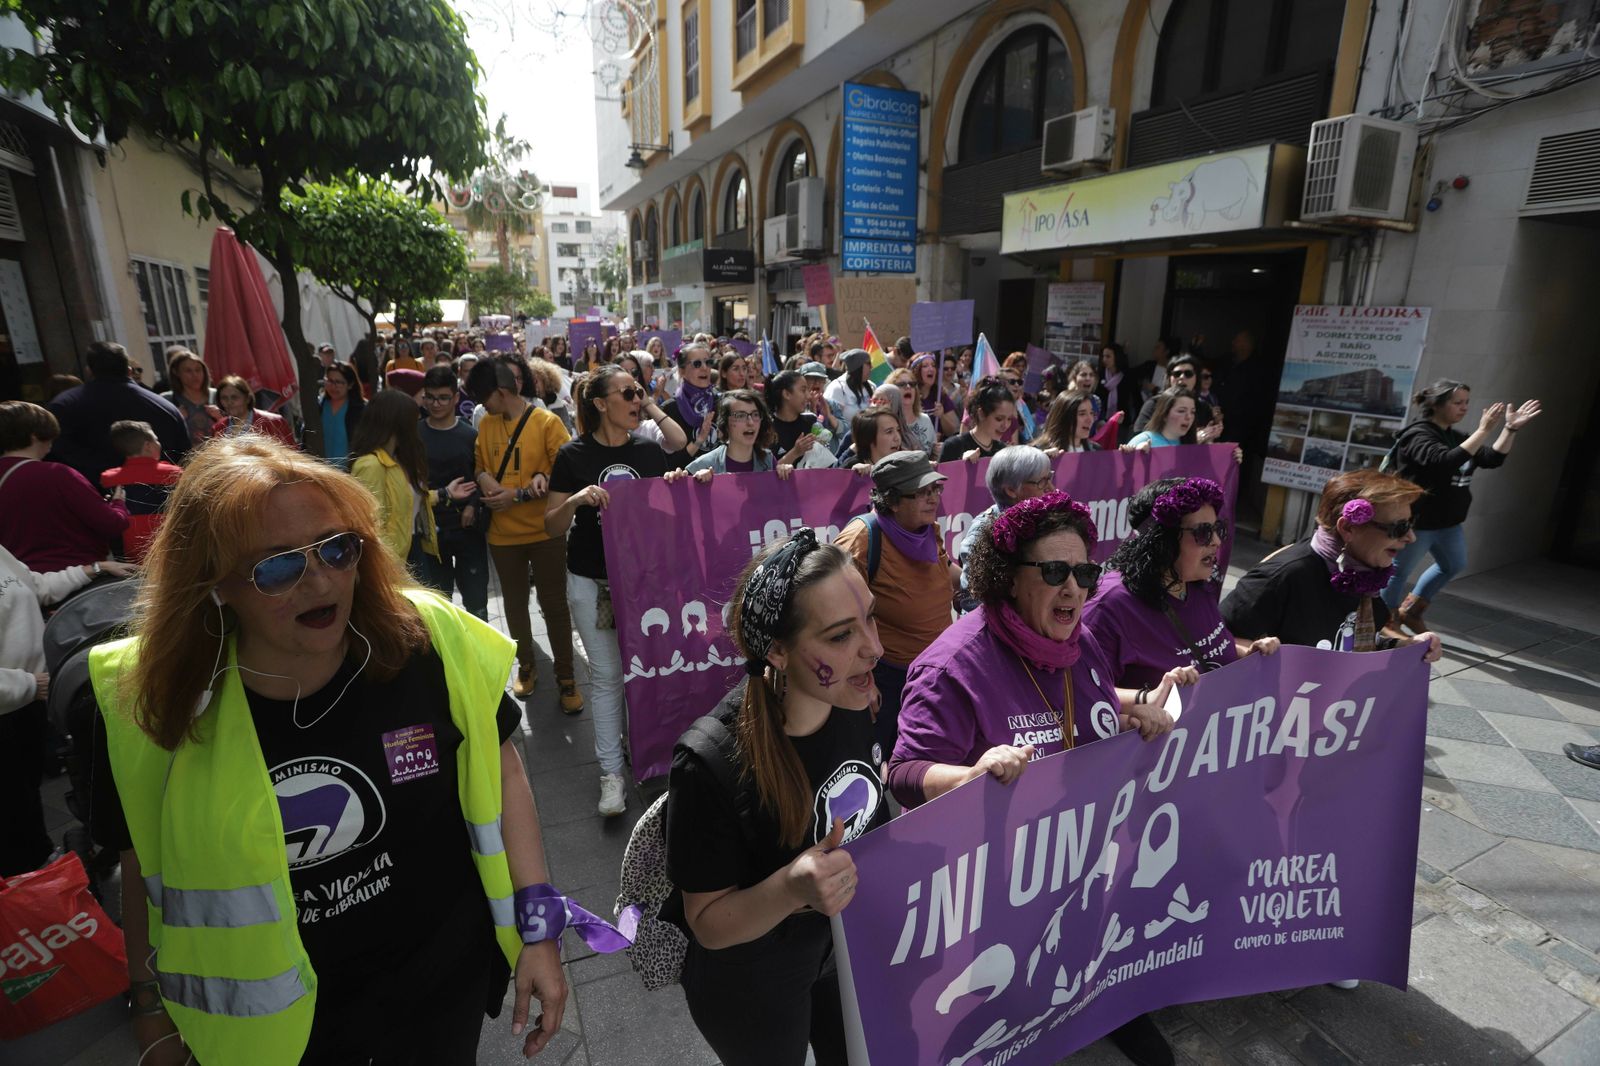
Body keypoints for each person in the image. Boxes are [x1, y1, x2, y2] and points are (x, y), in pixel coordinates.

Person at [85, 434, 572, 1065]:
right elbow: (141, 868)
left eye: (337, 549)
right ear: (214, 582)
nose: (319, 581)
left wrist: (540, 933)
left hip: (438, 987)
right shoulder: (144, 703)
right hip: (277, 1030)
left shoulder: (428, 643)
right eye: (277, 565)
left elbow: (502, 771)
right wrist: (150, 1010)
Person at [886, 490, 1176, 1066]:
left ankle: (1110, 1005)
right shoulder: (952, 667)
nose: (1074, 587)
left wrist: (1131, 708)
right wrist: (972, 773)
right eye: (1054, 571)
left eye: (1085, 572)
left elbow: (1082, 704)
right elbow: (902, 772)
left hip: (1083, 859)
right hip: (1001, 881)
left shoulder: (1080, 639)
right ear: (1008, 580)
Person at [665, 531, 884, 1066]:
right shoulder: (709, 761)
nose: (874, 649)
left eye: (871, 618)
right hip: (751, 977)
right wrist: (790, 887)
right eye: (839, 637)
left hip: (844, 949)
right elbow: (709, 923)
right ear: (778, 652)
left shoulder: (859, 696)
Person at [545, 366, 690, 815]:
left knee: (646, 672)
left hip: (643, 582)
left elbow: (668, 508)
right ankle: (611, 774)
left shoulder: (649, 451)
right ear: (600, 403)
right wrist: (575, 500)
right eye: (628, 392)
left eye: (639, 392)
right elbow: (550, 525)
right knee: (608, 677)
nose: (637, 399)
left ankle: (642, 753)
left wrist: (679, 489)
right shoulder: (571, 455)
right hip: (592, 581)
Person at [1, 545, 136, 875]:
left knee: (26, 802)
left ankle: (39, 879)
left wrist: (94, 568)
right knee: (11, 815)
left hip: (26, 705)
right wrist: (29, 684)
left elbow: (36, 586)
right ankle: (29, 893)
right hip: (16, 701)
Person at [1084, 477, 1280, 696]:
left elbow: (1206, 647)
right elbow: (1083, 691)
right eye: (1203, 532)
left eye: (1218, 529)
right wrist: (1148, 698)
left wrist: (1247, 653)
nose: (1216, 541)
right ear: (1161, 540)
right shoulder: (1110, 606)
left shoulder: (1198, 585)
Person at [1224, 468, 1444, 657]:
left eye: (1410, 524)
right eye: (1399, 528)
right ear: (1348, 528)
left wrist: (1405, 646)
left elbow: (1355, 649)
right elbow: (1214, 641)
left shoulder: (1366, 577)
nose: (1410, 537)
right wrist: (1250, 653)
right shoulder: (1283, 576)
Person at [465, 360, 582, 711]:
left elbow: (564, 471)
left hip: (545, 530)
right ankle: (526, 665)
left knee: (554, 605)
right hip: (503, 537)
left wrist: (516, 495)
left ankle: (567, 676)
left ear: (501, 392)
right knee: (515, 606)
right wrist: (489, 484)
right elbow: (480, 465)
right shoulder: (486, 424)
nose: (482, 406)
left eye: (484, 397)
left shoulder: (548, 423)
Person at [1382, 381, 1541, 633]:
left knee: (1453, 565)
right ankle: (1384, 621)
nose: (1465, 408)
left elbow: (1492, 459)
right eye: (1458, 402)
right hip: (1417, 522)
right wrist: (1483, 431)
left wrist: (1509, 429)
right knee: (1397, 573)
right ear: (1436, 404)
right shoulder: (1417, 435)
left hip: (1448, 523)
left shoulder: (1454, 436)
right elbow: (1443, 461)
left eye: (1467, 402)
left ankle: (1411, 610)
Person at [834, 451, 959, 756]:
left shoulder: (927, 529)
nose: (933, 499)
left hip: (933, 671)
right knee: (875, 761)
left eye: (935, 490)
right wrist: (862, 678)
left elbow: (946, 574)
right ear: (891, 501)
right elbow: (837, 621)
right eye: (920, 493)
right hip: (887, 678)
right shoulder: (861, 539)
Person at [350, 389, 472, 576]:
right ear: (398, 423)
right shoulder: (371, 465)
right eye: (413, 420)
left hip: (411, 549)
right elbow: (369, 524)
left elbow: (406, 501)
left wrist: (444, 493)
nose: (418, 425)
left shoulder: (398, 459)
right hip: (391, 563)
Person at [0, 401, 129, 570]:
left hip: (17, 582)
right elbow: (112, 524)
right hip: (76, 575)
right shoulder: (58, 474)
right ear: (34, 436)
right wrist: (118, 504)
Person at [50, 342, 189, 484]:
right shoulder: (166, 408)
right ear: (129, 370)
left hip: (91, 495)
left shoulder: (63, 406)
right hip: (162, 497)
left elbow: (56, 456)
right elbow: (184, 457)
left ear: (89, 371)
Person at [417, 366, 489, 622]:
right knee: (438, 604)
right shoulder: (415, 435)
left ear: (456, 398)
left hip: (468, 527)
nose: (436, 404)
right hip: (429, 531)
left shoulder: (470, 435)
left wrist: (473, 505)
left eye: (443, 397)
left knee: (477, 603)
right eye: (430, 397)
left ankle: (481, 658)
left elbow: (482, 476)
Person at [955, 445, 1056, 614]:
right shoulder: (983, 533)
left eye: (1050, 478)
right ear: (1010, 490)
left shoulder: (1047, 519)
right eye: (1042, 482)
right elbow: (973, 603)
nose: (1051, 489)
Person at [100, 420, 183, 562]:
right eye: (156, 440)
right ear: (147, 446)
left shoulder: (108, 479)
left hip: (126, 559)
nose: (159, 443)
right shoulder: (176, 474)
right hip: (169, 554)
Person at [688, 390, 794, 478]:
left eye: (755, 414)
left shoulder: (768, 460)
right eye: (740, 416)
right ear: (725, 423)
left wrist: (784, 474)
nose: (750, 422)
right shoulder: (704, 464)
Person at [663, 340, 720, 463]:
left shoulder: (722, 402)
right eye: (697, 364)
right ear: (682, 371)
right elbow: (669, 463)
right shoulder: (670, 409)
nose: (705, 368)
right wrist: (699, 440)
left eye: (708, 362)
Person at [939, 377, 1015, 462]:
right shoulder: (954, 446)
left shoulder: (1003, 452)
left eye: (1009, 419)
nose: (1005, 425)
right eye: (999, 419)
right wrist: (961, 464)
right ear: (981, 414)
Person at [209, 374, 297, 447]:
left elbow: (292, 455)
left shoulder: (274, 422)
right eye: (224, 398)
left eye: (234, 397)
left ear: (247, 398)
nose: (229, 402)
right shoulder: (218, 428)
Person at [162, 347, 221, 448]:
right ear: (176, 372)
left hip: (219, 458)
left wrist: (221, 418)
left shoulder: (219, 396)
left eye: (198, 370)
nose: (195, 375)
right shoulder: (167, 400)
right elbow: (161, 435)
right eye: (188, 371)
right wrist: (176, 420)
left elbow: (237, 428)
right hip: (186, 461)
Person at [767, 369, 823, 464]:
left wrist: (822, 444)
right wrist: (795, 452)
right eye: (803, 390)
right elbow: (766, 472)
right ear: (787, 394)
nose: (808, 396)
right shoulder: (767, 428)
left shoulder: (811, 421)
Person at [318, 362, 364, 468]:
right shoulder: (319, 407)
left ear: (350, 384)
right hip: (320, 473)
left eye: (338, 382)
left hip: (348, 475)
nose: (333, 387)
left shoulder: (360, 410)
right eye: (330, 381)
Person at [1126, 386, 1198, 448]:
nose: (1189, 417)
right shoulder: (1143, 440)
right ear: (1164, 414)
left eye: (1192, 412)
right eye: (1181, 411)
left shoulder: (1191, 444)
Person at [842, 407, 906, 475]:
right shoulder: (851, 468)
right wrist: (854, 476)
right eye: (889, 432)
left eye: (898, 430)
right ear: (869, 437)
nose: (897, 438)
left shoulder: (906, 461)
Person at [1096, 342, 1139, 442]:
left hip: (1122, 422)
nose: (1104, 360)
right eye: (1103, 356)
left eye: (1108, 356)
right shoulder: (1100, 374)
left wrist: (1136, 420)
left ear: (1117, 357)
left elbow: (1136, 398)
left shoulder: (1128, 376)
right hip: (1103, 421)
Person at [823, 348, 873, 429]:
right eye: (868, 363)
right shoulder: (837, 388)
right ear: (858, 367)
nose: (872, 367)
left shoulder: (871, 386)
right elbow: (830, 421)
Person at [911, 353, 959, 437]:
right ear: (916, 372)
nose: (931, 369)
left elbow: (954, 430)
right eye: (925, 366)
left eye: (933, 365)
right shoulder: (910, 395)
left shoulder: (941, 395)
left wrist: (942, 416)